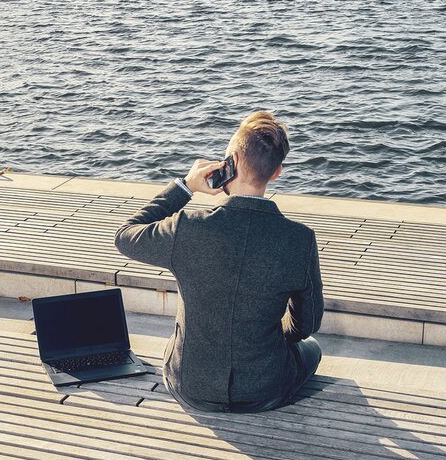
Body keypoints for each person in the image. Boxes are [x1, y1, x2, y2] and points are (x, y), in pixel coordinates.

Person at [114, 111, 324, 414]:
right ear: (277, 172)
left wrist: (185, 186)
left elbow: (125, 235)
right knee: (312, 348)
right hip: (265, 390)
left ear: (231, 162)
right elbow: (308, 324)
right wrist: (277, 339)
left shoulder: (187, 227)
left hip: (191, 386)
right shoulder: (299, 240)